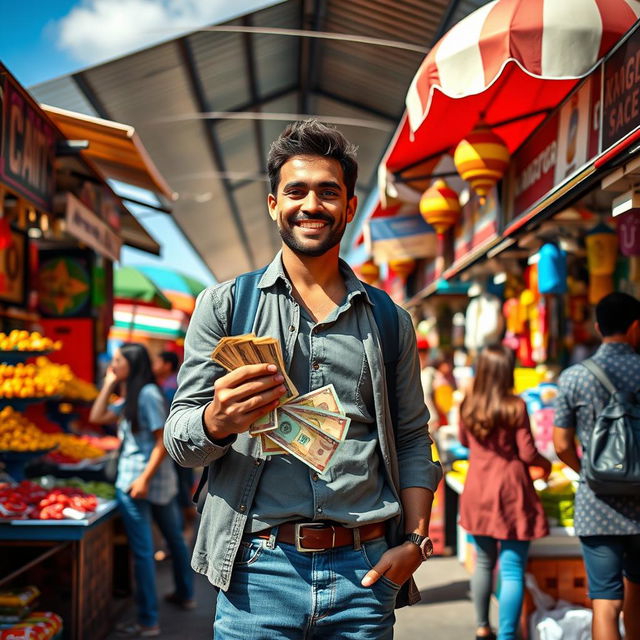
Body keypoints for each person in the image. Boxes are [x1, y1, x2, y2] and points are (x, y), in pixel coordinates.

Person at [164, 120, 443, 639]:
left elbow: (411, 438)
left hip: (365, 575)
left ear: (350, 208)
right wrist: (217, 421)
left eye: (328, 192)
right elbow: (181, 442)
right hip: (256, 575)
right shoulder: (225, 306)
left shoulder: (389, 319)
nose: (311, 205)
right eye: (296, 191)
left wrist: (416, 542)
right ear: (274, 204)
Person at [90, 343, 195, 637]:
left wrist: (143, 480)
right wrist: (109, 382)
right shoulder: (133, 395)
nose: (114, 363)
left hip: (142, 483)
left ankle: (148, 620)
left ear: (132, 364)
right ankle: (184, 595)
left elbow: (163, 442)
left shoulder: (147, 394)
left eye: (119, 360)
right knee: (170, 540)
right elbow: (97, 417)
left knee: (147, 551)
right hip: (151, 482)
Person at [553, 292, 640, 640]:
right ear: (636, 327)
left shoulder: (574, 377)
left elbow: (560, 444)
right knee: (637, 592)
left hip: (597, 504)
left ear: (597, 327)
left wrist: (588, 473)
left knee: (605, 601)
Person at [459, 344, 550, 640]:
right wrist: (545, 465)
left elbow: (464, 441)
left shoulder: (468, 404)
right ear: (507, 371)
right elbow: (527, 453)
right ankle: (507, 635)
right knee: (512, 568)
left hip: (478, 487)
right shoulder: (515, 405)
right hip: (511, 490)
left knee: (484, 562)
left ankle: (482, 626)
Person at [153, 351, 195, 520]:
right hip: (181, 439)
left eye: (157, 362)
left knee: (181, 481)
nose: (153, 366)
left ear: (167, 365)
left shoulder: (170, 388)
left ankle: (188, 517)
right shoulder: (171, 383)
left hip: (177, 440)